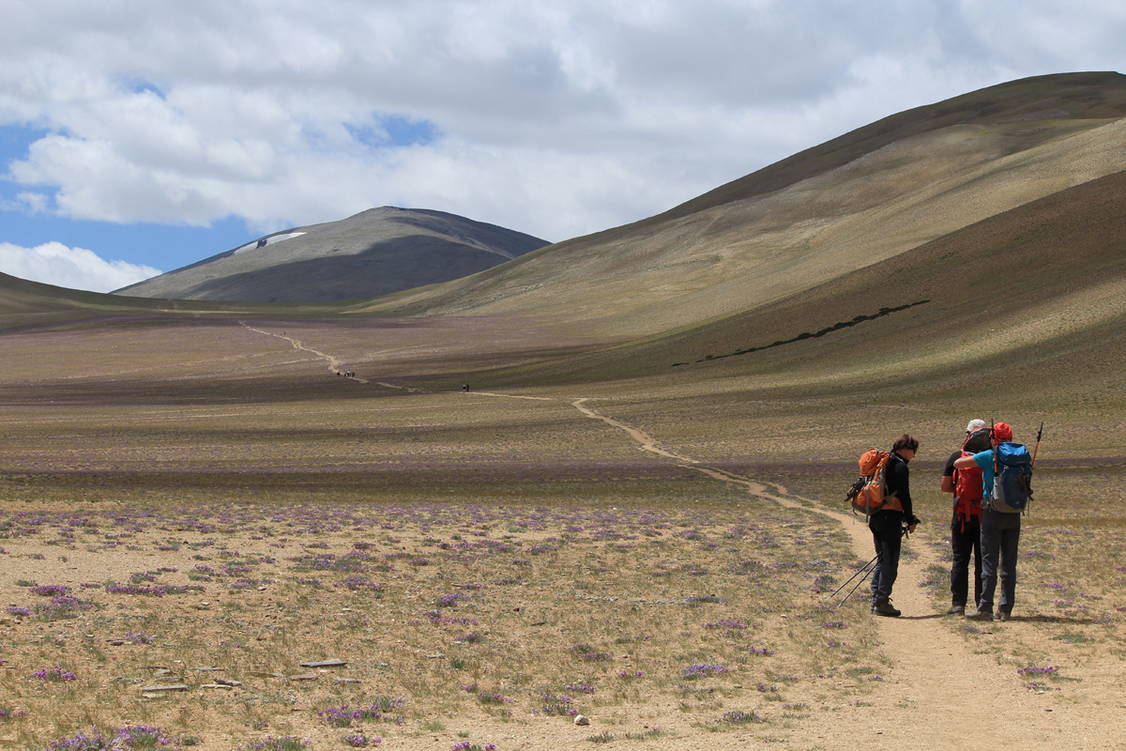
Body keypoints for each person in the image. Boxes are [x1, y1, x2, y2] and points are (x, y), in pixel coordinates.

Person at [954, 422, 1021, 621]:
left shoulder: (989, 456)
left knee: (989, 562)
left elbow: (958, 464)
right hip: (1014, 513)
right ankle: (1006, 609)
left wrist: (967, 453)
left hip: (991, 511)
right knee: (1009, 564)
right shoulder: (1020, 457)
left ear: (993, 437)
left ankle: (985, 608)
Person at [940, 419, 992, 616]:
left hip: (961, 516)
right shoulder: (991, 457)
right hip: (985, 516)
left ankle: (958, 604)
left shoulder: (957, 457)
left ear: (968, 435)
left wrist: (961, 494)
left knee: (960, 560)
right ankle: (982, 603)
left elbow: (945, 486)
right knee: (983, 561)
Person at [870, 434, 922, 617]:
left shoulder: (883, 463)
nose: (913, 456)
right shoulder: (899, 466)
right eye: (913, 451)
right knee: (890, 561)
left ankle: (876, 598)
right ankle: (882, 602)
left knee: (882, 559)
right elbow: (904, 496)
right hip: (889, 519)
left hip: (875, 516)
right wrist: (910, 519)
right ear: (905, 449)